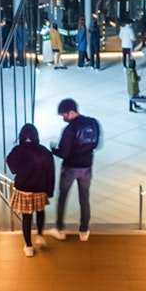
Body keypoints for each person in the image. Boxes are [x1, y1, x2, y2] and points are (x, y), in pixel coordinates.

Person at [50, 98, 101, 241]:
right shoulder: (93, 123)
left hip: (70, 168)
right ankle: (84, 231)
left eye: (64, 115)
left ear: (71, 112)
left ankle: (60, 229)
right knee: (84, 198)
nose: (64, 118)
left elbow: (64, 153)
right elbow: (96, 144)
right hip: (86, 168)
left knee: (62, 197)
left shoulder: (69, 130)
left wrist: (54, 149)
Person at [5, 124, 55, 257]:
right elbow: (50, 172)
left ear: (21, 136)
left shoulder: (18, 150)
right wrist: (50, 190)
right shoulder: (44, 151)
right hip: (40, 188)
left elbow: (13, 168)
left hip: (24, 190)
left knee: (26, 218)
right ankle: (39, 235)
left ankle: (28, 246)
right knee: (40, 212)